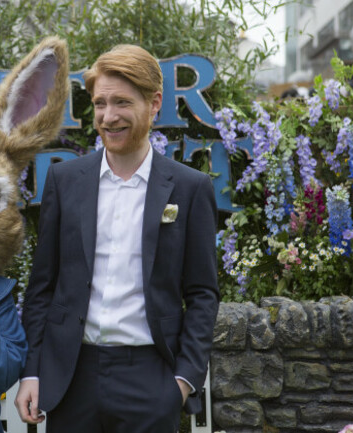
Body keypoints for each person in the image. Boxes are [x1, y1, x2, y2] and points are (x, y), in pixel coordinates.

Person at [15, 44, 219, 432]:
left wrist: (181, 382)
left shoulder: (190, 189)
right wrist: (33, 373)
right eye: (100, 103)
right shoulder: (64, 181)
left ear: (154, 102)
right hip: (71, 377)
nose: (109, 117)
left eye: (122, 103)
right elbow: (43, 286)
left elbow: (203, 293)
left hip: (151, 379)